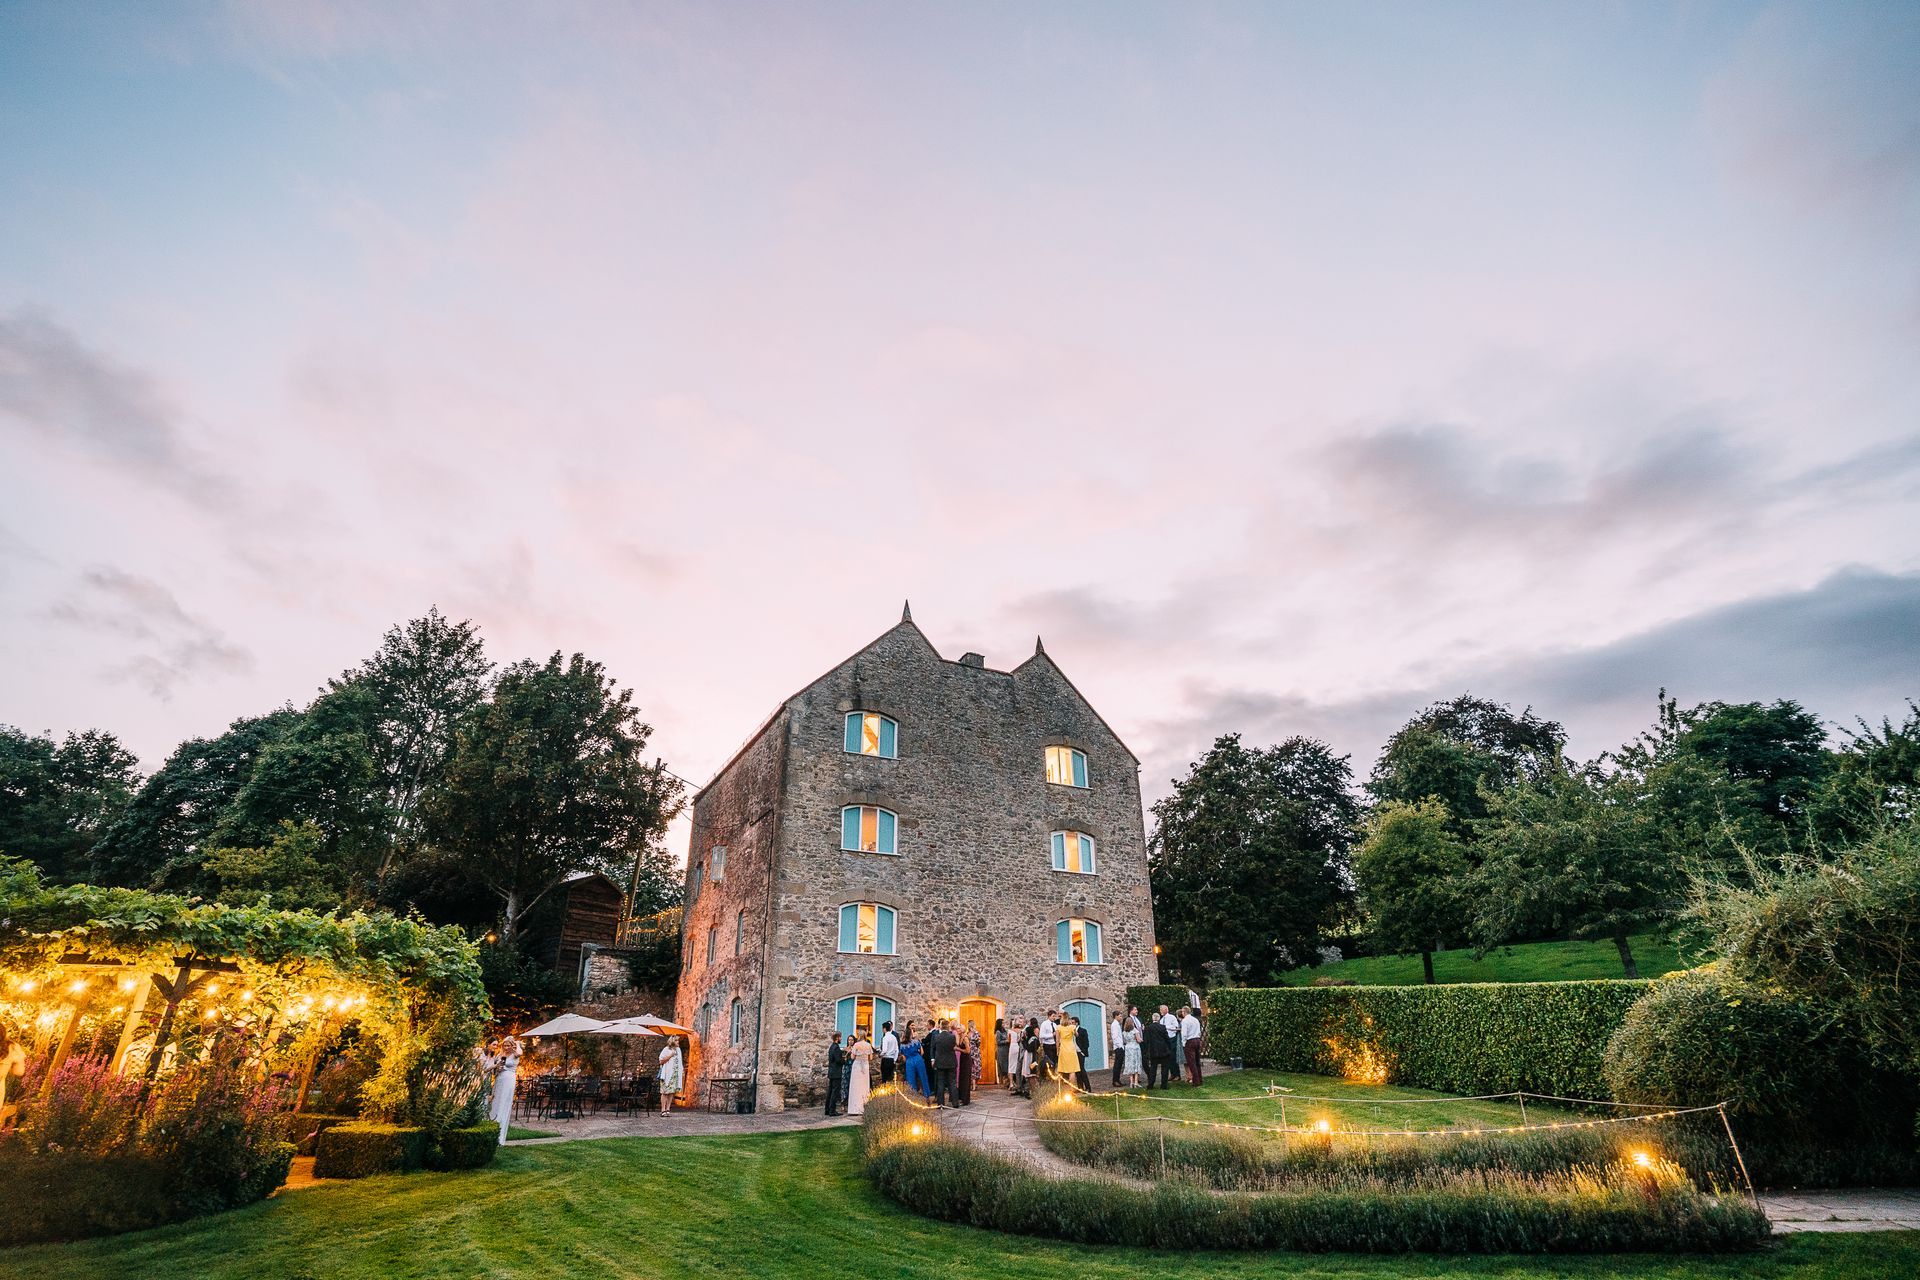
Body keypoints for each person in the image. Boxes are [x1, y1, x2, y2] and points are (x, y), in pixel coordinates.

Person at [490, 1036, 522, 1144]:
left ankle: (500, 1135)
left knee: (504, 1103)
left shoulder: (515, 1054)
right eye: (505, 1045)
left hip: (509, 1080)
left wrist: (516, 1043)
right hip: (499, 1078)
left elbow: (519, 1052)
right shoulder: (500, 1055)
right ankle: (492, 1128)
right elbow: (494, 1069)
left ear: (512, 1045)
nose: (506, 1047)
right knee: (495, 1103)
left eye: (508, 1045)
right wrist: (497, 1068)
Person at [929, 1019, 959, 1108]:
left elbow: (932, 1048)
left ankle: (941, 1103)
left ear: (941, 1026)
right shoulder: (952, 1037)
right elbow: (954, 1045)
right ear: (948, 1027)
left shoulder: (936, 1037)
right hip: (951, 1062)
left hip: (940, 1062)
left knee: (940, 1083)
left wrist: (932, 1059)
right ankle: (955, 1103)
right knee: (952, 1083)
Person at [1144, 1013, 1176, 1089]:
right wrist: (1169, 1047)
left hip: (1153, 1051)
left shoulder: (1148, 1028)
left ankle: (1151, 1084)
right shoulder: (1162, 1027)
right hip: (1163, 1050)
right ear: (1158, 1019)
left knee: (1153, 1068)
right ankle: (1164, 1085)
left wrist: (1146, 1050)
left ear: (1152, 1019)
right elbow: (1167, 1038)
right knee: (1165, 1068)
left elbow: (1146, 1040)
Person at [900, 1021, 931, 1098]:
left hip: (909, 1061)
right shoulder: (916, 1042)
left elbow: (903, 1057)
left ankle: (912, 1097)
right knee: (923, 1076)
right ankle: (927, 1094)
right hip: (918, 1059)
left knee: (910, 1079)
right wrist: (918, 1056)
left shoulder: (902, 1045)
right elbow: (922, 1052)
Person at [848, 1032, 874, 1116]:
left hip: (857, 1066)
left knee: (855, 1086)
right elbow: (871, 1057)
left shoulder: (856, 1045)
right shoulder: (868, 1045)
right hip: (865, 1066)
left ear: (859, 1036)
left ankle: (854, 1108)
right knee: (864, 1086)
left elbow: (852, 1057)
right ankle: (863, 1107)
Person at [657, 1037, 685, 1113]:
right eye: (676, 1040)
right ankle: (663, 1110)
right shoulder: (666, 1049)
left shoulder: (678, 1050)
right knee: (664, 1092)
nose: (678, 1041)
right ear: (672, 1041)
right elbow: (661, 1061)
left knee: (671, 1092)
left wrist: (682, 1071)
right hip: (667, 1074)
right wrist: (670, 1055)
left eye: (678, 1040)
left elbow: (680, 1061)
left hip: (675, 1074)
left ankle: (668, 1109)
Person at [1179, 1005, 1205, 1086]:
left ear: (1184, 1012)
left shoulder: (1185, 1021)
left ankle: (1195, 1081)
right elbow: (1199, 1031)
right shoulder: (1195, 1020)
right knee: (1197, 1061)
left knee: (1191, 1062)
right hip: (1197, 1039)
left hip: (1190, 1041)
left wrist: (1183, 1043)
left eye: (1182, 1012)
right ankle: (1200, 1079)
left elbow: (1184, 1034)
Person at [1055, 1014, 1082, 1091]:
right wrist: (1073, 1029)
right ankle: (1071, 1088)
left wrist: (1057, 1050)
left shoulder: (1058, 1027)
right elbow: (1077, 1035)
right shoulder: (1072, 1027)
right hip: (1071, 1048)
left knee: (1061, 1069)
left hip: (1063, 1048)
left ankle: (1060, 1088)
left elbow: (1057, 1040)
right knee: (1072, 1070)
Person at [823, 1032, 847, 1116]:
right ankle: (832, 1110)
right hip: (836, 1072)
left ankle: (827, 1109)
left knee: (830, 1091)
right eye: (840, 1037)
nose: (841, 1039)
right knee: (834, 1092)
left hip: (832, 1072)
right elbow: (838, 1060)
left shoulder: (832, 1047)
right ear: (837, 1038)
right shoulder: (836, 1048)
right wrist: (844, 1060)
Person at [1122, 1013, 1145, 1088]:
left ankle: (1131, 1082)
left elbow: (1124, 1041)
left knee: (1130, 1064)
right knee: (1136, 1064)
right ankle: (1136, 1082)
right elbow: (1138, 1040)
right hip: (1135, 1048)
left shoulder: (1124, 1032)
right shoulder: (1135, 1030)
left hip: (1128, 1048)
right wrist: (1142, 1039)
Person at [1071, 1016, 1093, 1092]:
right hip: (1074, 1053)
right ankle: (1080, 1087)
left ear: (1077, 1023)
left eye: (1073, 1023)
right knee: (1077, 1070)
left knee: (1082, 1070)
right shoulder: (1070, 1031)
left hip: (1080, 1052)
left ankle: (1088, 1087)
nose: (1071, 1024)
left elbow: (1086, 1043)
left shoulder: (1083, 1031)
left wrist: (1083, 1052)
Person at [1037, 1010, 1058, 1079]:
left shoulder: (1055, 1025)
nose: (1054, 1018)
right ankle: (1048, 1076)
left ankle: (1053, 1076)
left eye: (1055, 1016)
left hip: (1054, 1045)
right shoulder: (1044, 1024)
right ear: (1049, 1016)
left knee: (1054, 1061)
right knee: (1049, 1061)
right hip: (1047, 1045)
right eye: (1053, 1016)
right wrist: (1052, 1035)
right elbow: (1041, 1035)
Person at [879, 1021, 900, 1086]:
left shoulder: (885, 1038)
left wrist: (880, 1054)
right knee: (890, 1079)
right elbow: (897, 1050)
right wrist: (894, 1060)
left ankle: (885, 1093)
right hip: (892, 1060)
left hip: (886, 1060)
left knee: (884, 1079)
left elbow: (884, 1050)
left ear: (884, 1029)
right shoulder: (894, 1037)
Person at [1109, 1013, 1126, 1089]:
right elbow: (1115, 1037)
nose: (1121, 1017)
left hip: (1120, 1046)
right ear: (1116, 1016)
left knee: (1119, 1064)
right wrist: (1120, 1046)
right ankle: (1115, 1080)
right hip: (1118, 1047)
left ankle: (1117, 1080)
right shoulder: (1115, 1025)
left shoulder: (1117, 1024)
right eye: (1120, 1016)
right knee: (1117, 1064)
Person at [994, 1018, 1010, 1090]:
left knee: (1006, 1066)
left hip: (1006, 1051)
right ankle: (1001, 1082)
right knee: (1001, 1066)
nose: (1004, 1025)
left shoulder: (1005, 1031)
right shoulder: (998, 1032)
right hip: (1001, 1051)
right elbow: (998, 1042)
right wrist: (1006, 1041)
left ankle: (1006, 1081)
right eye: (1002, 1023)